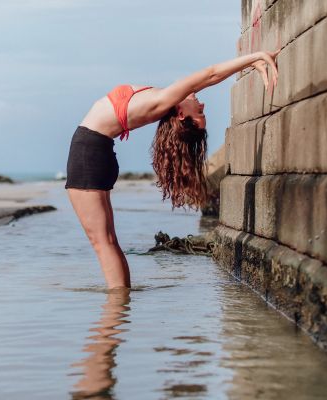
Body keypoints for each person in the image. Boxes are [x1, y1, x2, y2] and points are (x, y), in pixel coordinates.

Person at [65, 50, 280, 289]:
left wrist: (255, 57)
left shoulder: (163, 101)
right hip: (96, 152)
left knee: (103, 242)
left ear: (180, 115)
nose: (202, 105)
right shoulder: (164, 101)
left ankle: (115, 315)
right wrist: (253, 61)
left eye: (200, 112)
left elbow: (210, 75)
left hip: (89, 152)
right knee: (107, 241)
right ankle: (120, 309)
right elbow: (206, 80)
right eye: (201, 112)